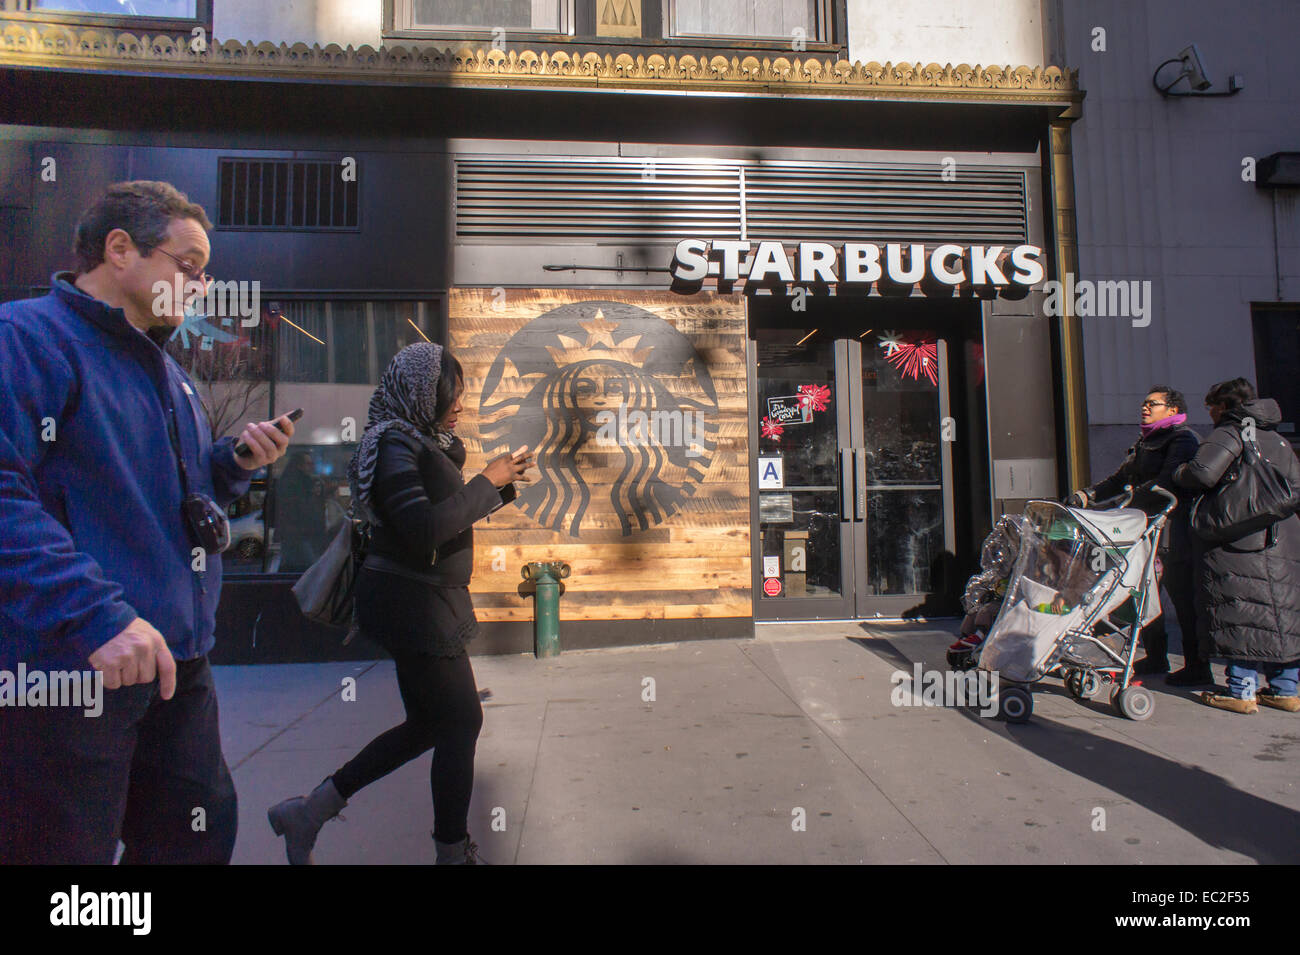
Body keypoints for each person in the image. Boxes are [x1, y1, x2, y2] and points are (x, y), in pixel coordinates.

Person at [0, 181, 292, 864]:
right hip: (74, 667)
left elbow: (169, 494)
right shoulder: (26, 337)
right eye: (187, 264)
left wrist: (233, 461)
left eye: (206, 272)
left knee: (199, 833)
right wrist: (94, 615)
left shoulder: (169, 372)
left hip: (176, 664)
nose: (199, 284)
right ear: (120, 249)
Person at [268, 343, 532, 864]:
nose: (459, 404)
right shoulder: (393, 444)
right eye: (449, 394)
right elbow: (420, 531)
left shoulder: (418, 441)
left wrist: (497, 488)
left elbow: (439, 516)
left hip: (424, 601)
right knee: (461, 722)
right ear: (420, 393)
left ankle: (309, 811)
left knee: (431, 724)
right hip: (416, 606)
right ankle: (451, 854)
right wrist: (488, 481)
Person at [1173, 378, 1300, 714]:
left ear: (1225, 405)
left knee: (1238, 611)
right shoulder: (1277, 439)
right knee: (1280, 616)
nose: (1210, 413)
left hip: (1236, 540)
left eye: (1212, 406)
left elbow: (1202, 474)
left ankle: (1241, 691)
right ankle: (1285, 690)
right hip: (1281, 539)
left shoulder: (1230, 432)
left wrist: (1180, 473)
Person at [1069, 385, 1207, 683]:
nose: (1145, 408)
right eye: (1144, 403)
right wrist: (1087, 495)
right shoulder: (1146, 442)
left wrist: (1128, 502)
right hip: (1144, 528)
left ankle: (1198, 664)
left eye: (1153, 404)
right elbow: (1120, 478)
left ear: (1173, 410)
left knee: (1182, 598)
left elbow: (1168, 481)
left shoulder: (1182, 439)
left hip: (1173, 528)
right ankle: (1156, 658)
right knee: (1144, 592)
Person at [275, 449, 328, 572]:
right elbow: (299, 509)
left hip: (297, 534)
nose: (311, 467)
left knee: (290, 565)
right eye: (308, 464)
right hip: (299, 534)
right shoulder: (296, 484)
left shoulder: (299, 482)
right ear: (299, 465)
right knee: (312, 569)